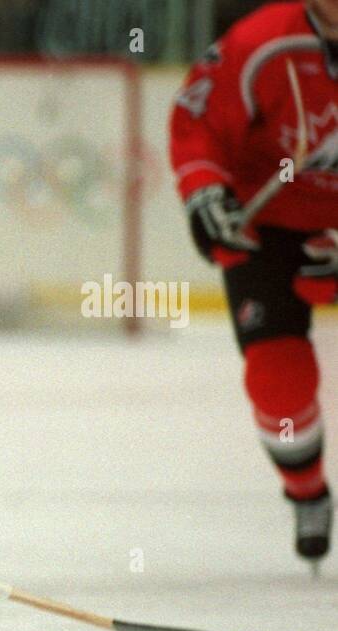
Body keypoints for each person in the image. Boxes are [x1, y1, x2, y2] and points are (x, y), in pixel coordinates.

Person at [169, 0, 338, 569]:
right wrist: (204, 188)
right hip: (270, 223)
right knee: (278, 380)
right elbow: (198, 120)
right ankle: (307, 490)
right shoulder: (261, 41)